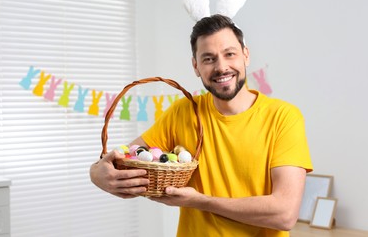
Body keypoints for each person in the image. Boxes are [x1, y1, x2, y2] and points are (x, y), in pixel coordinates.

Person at [90, 14, 313, 236]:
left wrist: (202, 202)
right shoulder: (182, 112)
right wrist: (97, 173)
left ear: (246, 55)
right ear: (196, 66)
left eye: (230, 54)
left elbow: (285, 214)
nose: (221, 67)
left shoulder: (283, 117)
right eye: (209, 58)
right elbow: (123, 159)